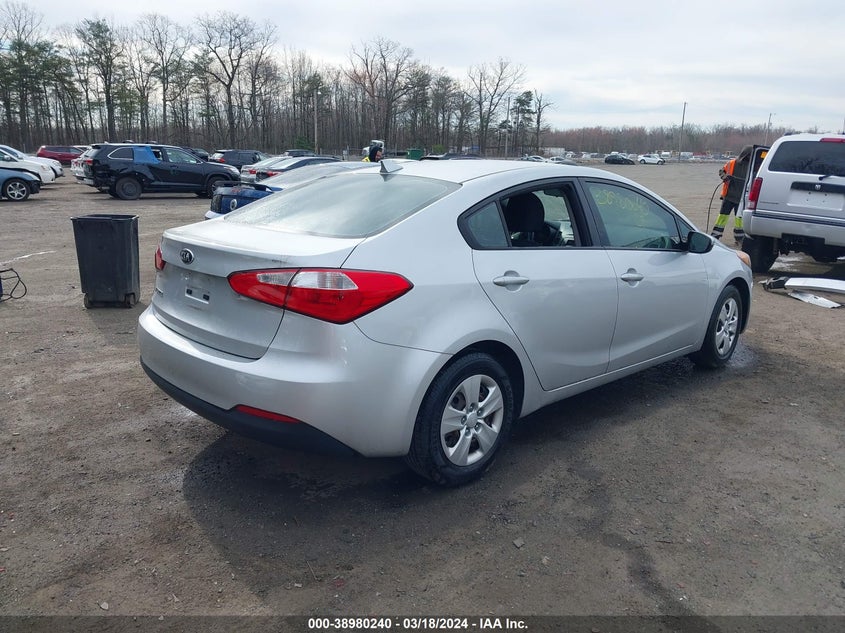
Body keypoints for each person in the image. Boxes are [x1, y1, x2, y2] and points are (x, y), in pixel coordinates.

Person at [711, 145, 752, 244]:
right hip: (729, 196)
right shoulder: (732, 163)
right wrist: (725, 177)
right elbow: (722, 171)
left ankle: (739, 238)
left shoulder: (752, 166)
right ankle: (715, 236)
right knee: (722, 217)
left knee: (739, 219)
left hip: (741, 198)